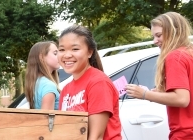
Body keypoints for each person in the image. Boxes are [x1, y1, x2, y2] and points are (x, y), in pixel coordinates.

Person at [125, 12, 193, 140]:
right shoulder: (189, 53)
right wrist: (162, 93)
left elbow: (182, 99)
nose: (155, 41)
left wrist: (144, 94)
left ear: (173, 31)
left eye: (158, 35)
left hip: (186, 134)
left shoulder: (175, 56)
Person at [57, 25, 121, 140]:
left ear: (89, 52)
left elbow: (96, 137)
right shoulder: (65, 90)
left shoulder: (98, 83)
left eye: (75, 49)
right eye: (62, 50)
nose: (67, 55)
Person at [23, 41, 61, 110]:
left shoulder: (36, 82)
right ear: (41, 57)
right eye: (55, 53)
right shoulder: (48, 85)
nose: (60, 56)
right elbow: (47, 119)